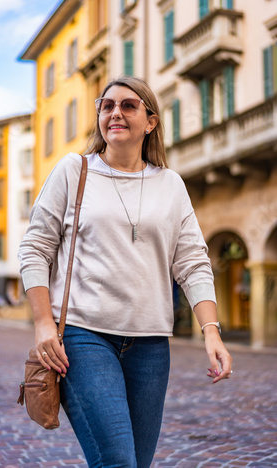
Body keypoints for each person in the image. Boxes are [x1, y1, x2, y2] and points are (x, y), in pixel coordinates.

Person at [18, 76, 232, 468]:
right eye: (107, 105)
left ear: (150, 121)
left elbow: (192, 261)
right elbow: (35, 249)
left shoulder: (170, 184)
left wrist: (211, 331)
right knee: (118, 461)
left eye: (128, 105)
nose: (115, 112)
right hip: (84, 338)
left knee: (138, 462)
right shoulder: (74, 170)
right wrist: (43, 323)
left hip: (150, 346)